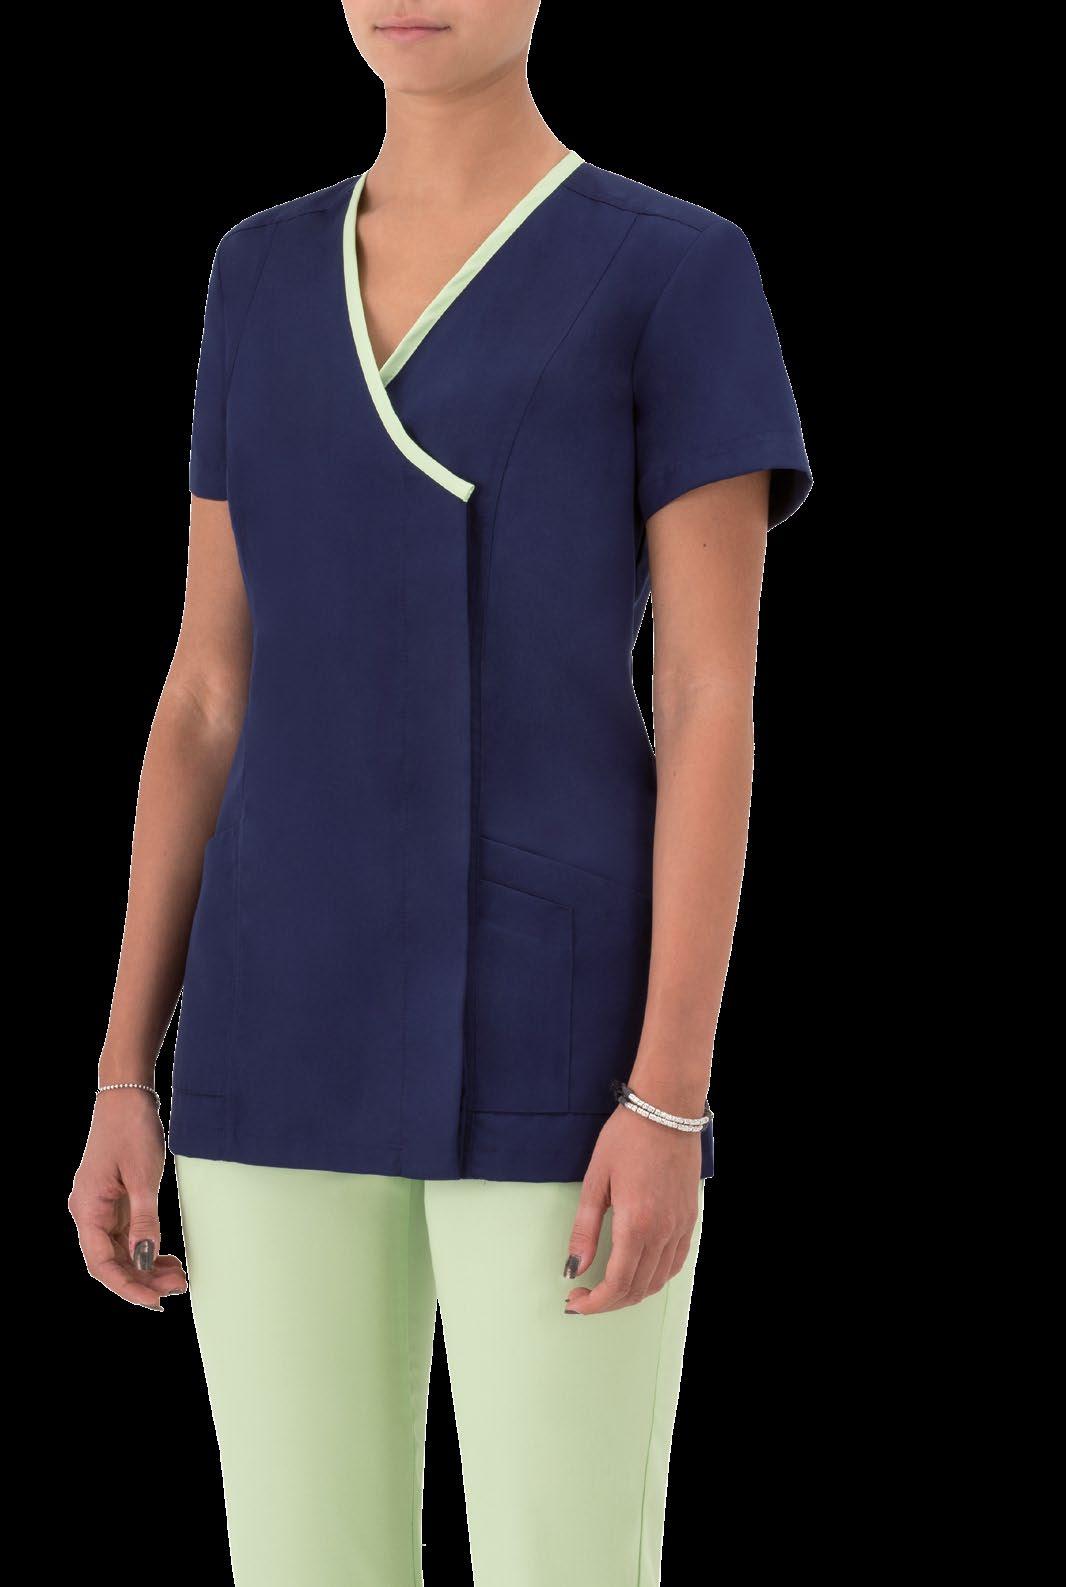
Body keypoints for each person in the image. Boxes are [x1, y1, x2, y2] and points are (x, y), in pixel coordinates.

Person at [67, 3, 813, 1582]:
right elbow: (205, 691)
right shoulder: (257, 271)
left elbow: (708, 701)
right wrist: (127, 1068)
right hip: (273, 1019)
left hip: (563, 1030)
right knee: (301, 1562)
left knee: (565, 1559)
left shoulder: (675, 268)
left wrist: (668, 1094)